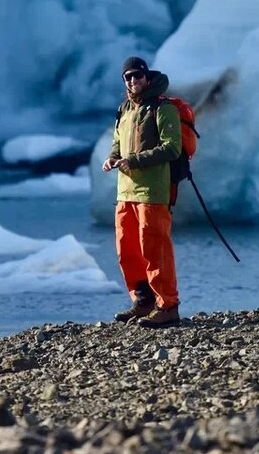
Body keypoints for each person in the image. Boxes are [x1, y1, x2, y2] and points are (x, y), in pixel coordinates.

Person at [101, 56, 182, 328]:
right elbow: (117, 143)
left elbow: (173, 148)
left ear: (147, 77)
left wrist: (134, 160)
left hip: (152, 191)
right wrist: (112, 158)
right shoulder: (124, 110)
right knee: (128, 251)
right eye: (128, 77)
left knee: (154, 248)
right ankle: (143, 300)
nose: (133, 80)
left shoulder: (163, 108)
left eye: (137, 75)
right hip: (125, 192)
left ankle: (167, 305)